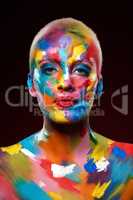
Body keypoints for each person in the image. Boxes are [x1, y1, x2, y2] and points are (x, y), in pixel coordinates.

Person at [0, 18, 133, 200]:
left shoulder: (128, 167)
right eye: (49, 69)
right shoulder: (5, 170)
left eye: (80, 70)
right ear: (31, 84)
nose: (65, 82)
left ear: (99, 86)